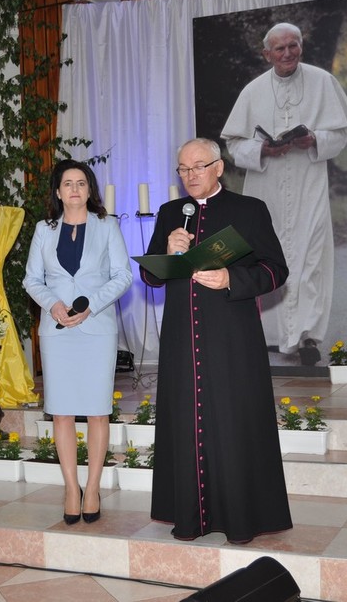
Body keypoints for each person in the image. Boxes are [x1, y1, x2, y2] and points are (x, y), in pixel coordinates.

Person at [140, 138, 291, 544]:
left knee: (233, 423)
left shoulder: (249, 210)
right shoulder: (172, 213)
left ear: (219, 168)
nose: (190, 176)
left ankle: (241, 519)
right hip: (181, 341)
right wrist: (168, 251)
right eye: (183, 170)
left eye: (198, 167)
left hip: (232, 340)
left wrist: (231, 279)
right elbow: (152, 277)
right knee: (187, 424)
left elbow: (276, 270)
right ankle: (188, 518)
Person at [220, 22, 347, 365]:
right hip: (265, 189)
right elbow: (234, 145)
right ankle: (271, 335)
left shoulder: (323, 81)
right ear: (267, 54)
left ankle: (307, 336)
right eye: (279, 49)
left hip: (308, 183)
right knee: (268, 255)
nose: (287, 54)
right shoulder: (253, 91)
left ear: (302, 46)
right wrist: (263, 150)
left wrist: (314, 140)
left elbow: (340, 136)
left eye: (292, 46)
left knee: (310, 258)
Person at [23, 159, 132, 525]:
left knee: (98, 410)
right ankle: (72, 487)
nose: (74, 189)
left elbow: (122, 276)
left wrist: (92, 306)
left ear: (89, 190)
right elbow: (31, 280)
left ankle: (94, 485)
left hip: (96, 328)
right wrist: (53, 306)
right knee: (63, 411)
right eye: (67, 183)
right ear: (57, 191)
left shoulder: (107, 225)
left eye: (81, 183)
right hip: (57, 331)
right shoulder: (43, 228)